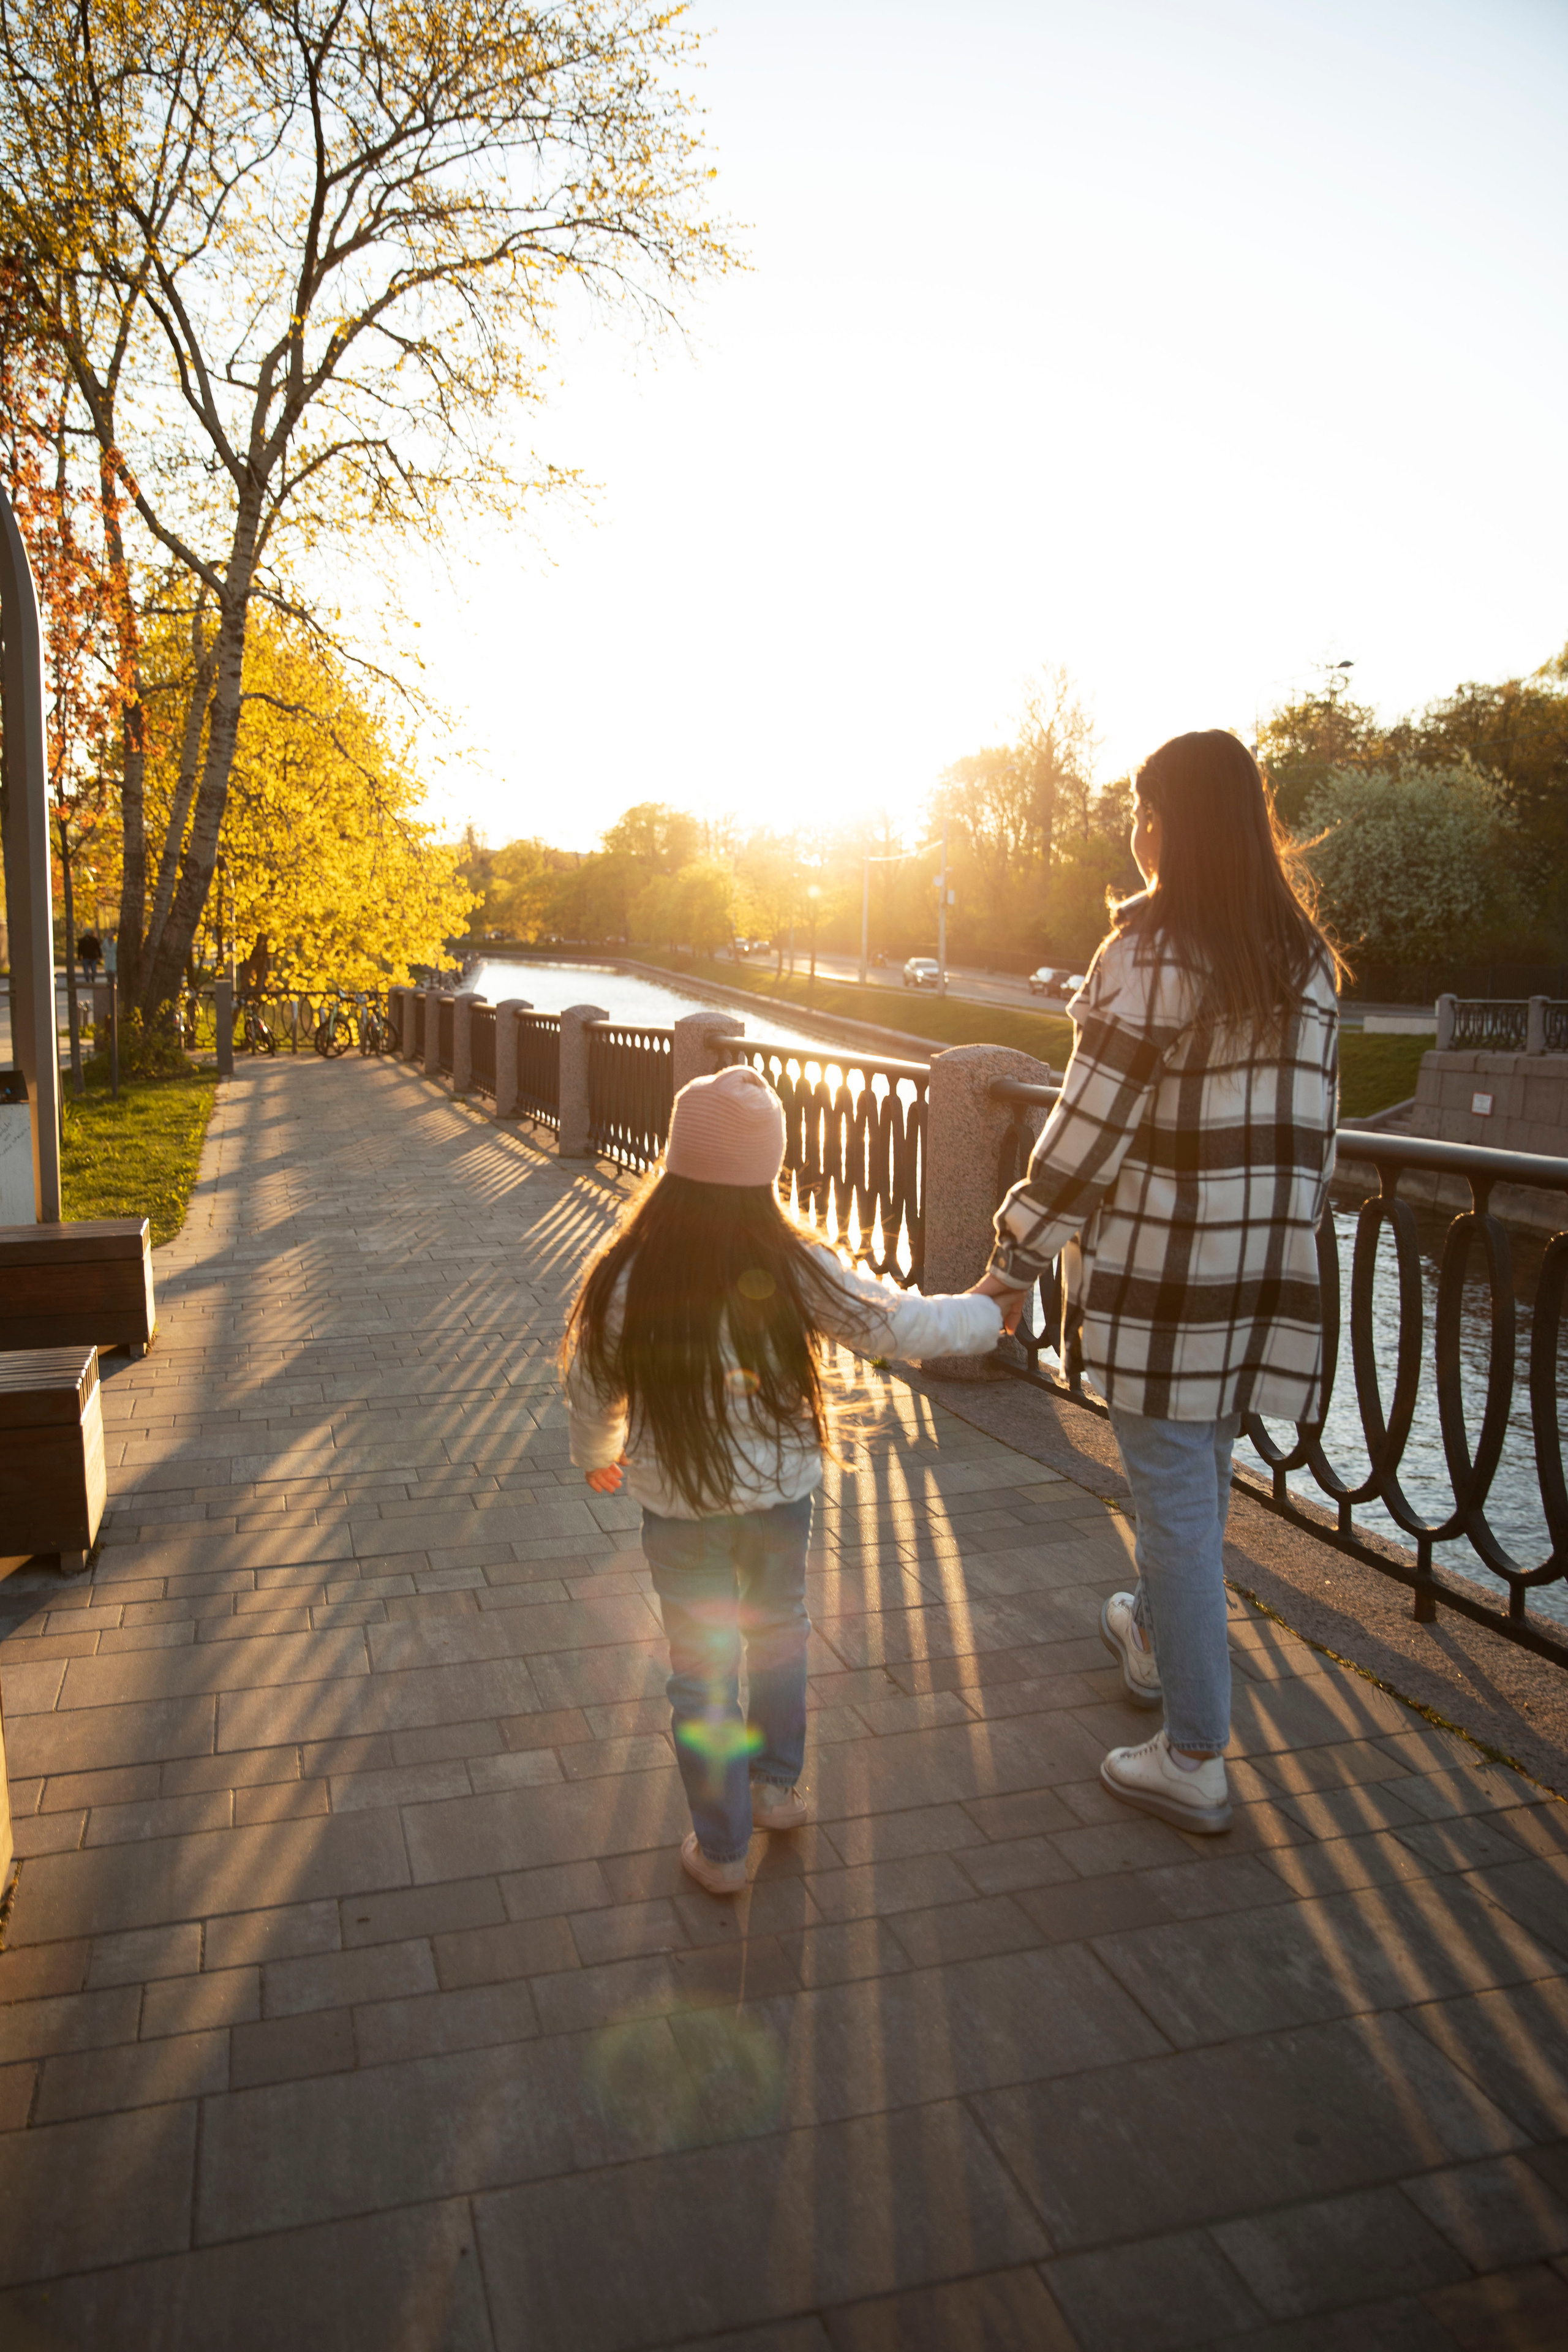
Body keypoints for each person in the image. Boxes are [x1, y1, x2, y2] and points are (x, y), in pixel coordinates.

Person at [976, 730, 1341, 1834]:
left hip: (1168, 1282)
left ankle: (1193, 1754)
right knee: (1197, 1488)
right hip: (1263, 1282)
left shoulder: (1148, 954)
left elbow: (1086, 1137)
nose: (1136, 832)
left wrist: (1011, 1263)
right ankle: (1150, 1636)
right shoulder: (1306, 962)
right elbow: (1317, 1143)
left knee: (1177, 1508)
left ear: (1180, 825)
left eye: (1146, 809)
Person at [565, 1063, 1012, 1894]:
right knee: (780, 1635)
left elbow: (590, 1381)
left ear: (674, 1165)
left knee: (699, 1670)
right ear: (766, 1173)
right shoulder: (796, 1263)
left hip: (679, 1506)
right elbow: (892, 1323)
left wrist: (599, 1454)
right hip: (781, 1497)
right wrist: (987, 1310)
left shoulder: (628, 1272)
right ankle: (778, 1788)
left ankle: (723, 1849)